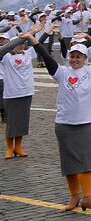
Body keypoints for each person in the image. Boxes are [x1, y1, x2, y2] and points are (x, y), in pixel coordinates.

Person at [30, 35, 91, 211]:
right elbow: (46, 56)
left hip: (86, 123)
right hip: (65, 124)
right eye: (72, 56)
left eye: (78, 56)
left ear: (85, 58)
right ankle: (74, 196)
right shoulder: (61, 72)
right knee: (69, 163)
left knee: (87, 160)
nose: (75, 60)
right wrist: (32, 38)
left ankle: (88, 197)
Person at [0, 22, 49, 159]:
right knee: (11, 122)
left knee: (22, 121)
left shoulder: (28, 54)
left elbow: (40, 42)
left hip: (26, 92)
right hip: (11, 94)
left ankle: (18, 146)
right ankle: (9, 148)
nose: (20, 46)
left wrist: (43, 31)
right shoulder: (5, 57)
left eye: (22, 44)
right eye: (17, 44)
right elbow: (4, 49)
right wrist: (24, 36)